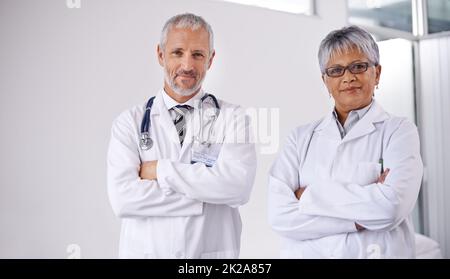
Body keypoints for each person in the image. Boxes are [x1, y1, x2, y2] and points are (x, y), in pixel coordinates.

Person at [107, 13, 256, 259]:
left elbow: (238, 187)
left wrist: (161, 171)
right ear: (160, 55)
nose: (187, 65)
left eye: (198, 54)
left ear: (211, 60)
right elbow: (123, 200)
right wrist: (204, 197)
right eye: (178, 52)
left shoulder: (234, 117)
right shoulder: (129, 123)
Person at [268, 25, 423, 258]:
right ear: (325, 81)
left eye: (359, 66)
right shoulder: (300, 138)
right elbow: (279, 215)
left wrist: (308, 197)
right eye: (336, 70)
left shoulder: (399, 132)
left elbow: (391, 208)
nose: (348, 77)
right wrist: (359, 218)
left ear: (377, 73)